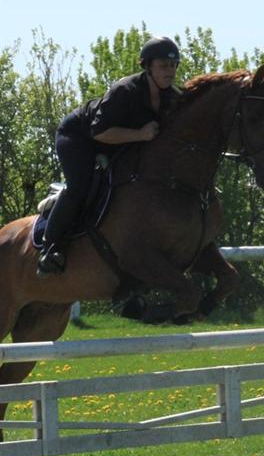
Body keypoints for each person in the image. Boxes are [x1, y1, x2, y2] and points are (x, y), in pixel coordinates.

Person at [36, 36, 182, 276]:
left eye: (174, 66)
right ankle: (50, 249)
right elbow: (100, 132)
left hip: (117, 144)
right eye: (163, 66)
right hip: (79, 138)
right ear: (148, 66)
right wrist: (141, 134)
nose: (170, 71)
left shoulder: (173, 98)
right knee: (80, 187)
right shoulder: (125, 90)